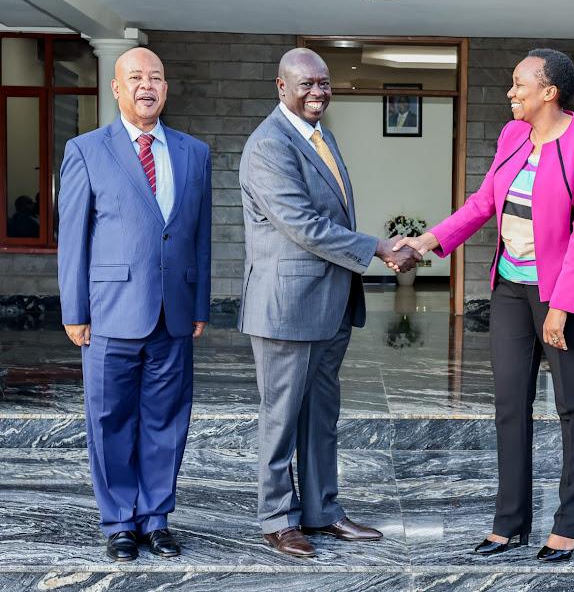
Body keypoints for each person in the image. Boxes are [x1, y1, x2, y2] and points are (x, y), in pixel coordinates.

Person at [395, 48, 574, 563]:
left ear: (549, 91)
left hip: (568, 291)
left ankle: (568, 527)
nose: (511, 92)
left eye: (519, 84)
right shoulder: (513, 136)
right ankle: (510, 523)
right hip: (513, 287)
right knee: (510, 406)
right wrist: (427, 242)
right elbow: (484, 203)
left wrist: (562, 305)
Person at [238, 47, 420, 558]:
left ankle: (321, 510)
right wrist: (378, 247)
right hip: (286, 306)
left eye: (324, 83)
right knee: (281, 417)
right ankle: (277, 518)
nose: (318, 91)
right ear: (281, 86)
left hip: (329, 304)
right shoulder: (268, 146)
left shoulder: (320, 136)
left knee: (321, 414)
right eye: (306, 84)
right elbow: (303, 225)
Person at [57, 47, 212, 562]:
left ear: (167, 89)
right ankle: (121, 521)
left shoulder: (194, 153)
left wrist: (199, 304)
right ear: (116, 88)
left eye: (157, 78)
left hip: (173, 312)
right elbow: (73, 236)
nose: (148, 85)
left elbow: (200, 237)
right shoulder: (85, 150)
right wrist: (74, 310)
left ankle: (158, 518)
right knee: (109, 420)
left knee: (168, 420)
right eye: (136, 77)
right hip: (109, 312)